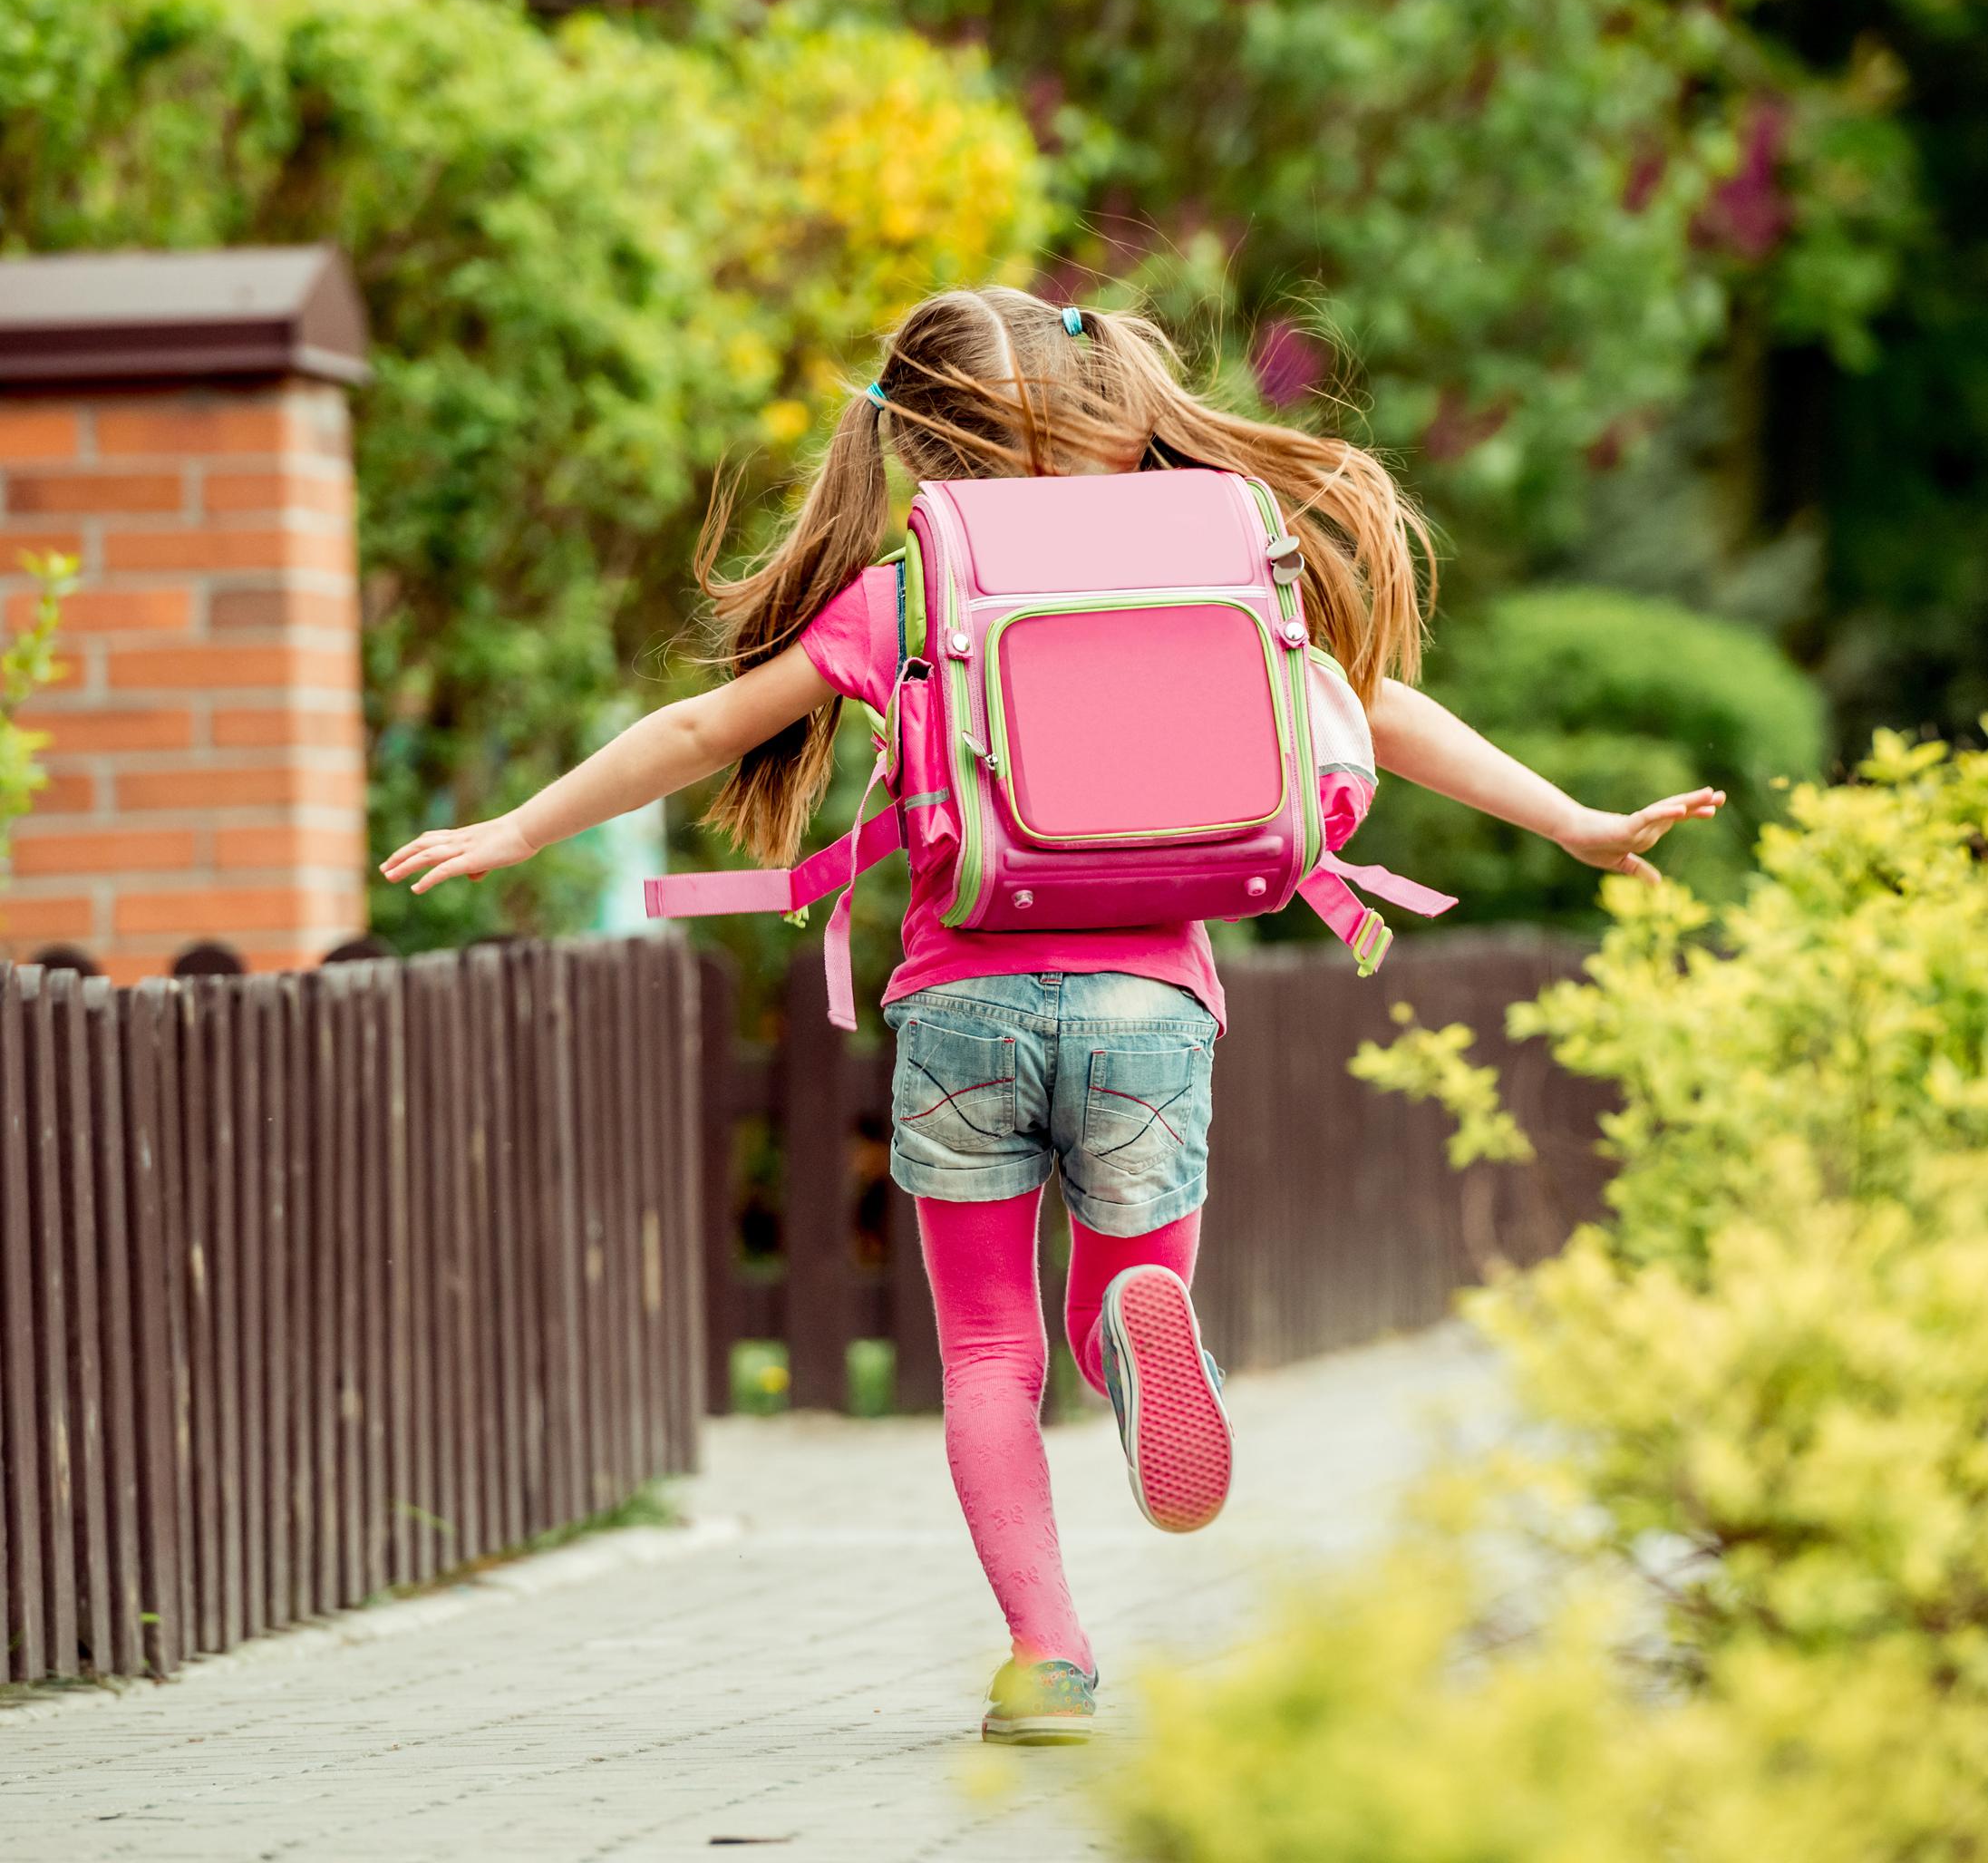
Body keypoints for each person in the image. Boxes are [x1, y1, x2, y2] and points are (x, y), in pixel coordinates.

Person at [381, 286, 1723, 1744]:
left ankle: (1048, 1656)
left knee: (981, 1355)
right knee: (1114, 1298)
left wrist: (520, 827)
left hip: (966, 997)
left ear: (923, 458)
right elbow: (1375, 705)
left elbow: (705, 727)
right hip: (1151, 1000)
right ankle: (1140, 1333)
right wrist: (1575, 821)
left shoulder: (902, 591)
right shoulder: (1215, 563)